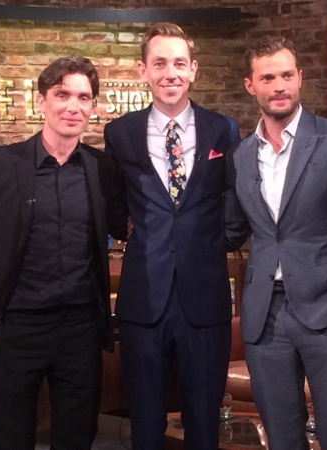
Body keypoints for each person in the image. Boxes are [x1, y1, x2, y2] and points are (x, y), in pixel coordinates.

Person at [0, 56, 126, 450]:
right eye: (62, 94)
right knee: (11, 438)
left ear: (93, 106)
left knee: (77, 439)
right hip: (16, 328)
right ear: (41, 101)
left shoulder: (101, 167)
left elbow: (127, 225)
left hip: (81, 331)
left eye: (84, 98)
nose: (73, 106)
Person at [224, 35, 327, 450]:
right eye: (268, 77)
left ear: (300, 79)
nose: (279, 86)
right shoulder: (240, 155)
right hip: (264, 317)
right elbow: (233, 229)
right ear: (250, 85)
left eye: (287, 75)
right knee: (281, 437)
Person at [103, 22, 240, 450]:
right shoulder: (119, 133)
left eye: (179, 63)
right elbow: (112, 206)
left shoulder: (224, 130)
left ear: (194, 69)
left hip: (206, 299)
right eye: (159, 63)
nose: (170, 73)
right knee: (145, 423)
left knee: (203, 423)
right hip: (144, 301)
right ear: (143, 71)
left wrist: (219, 241)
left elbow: (237, 199)